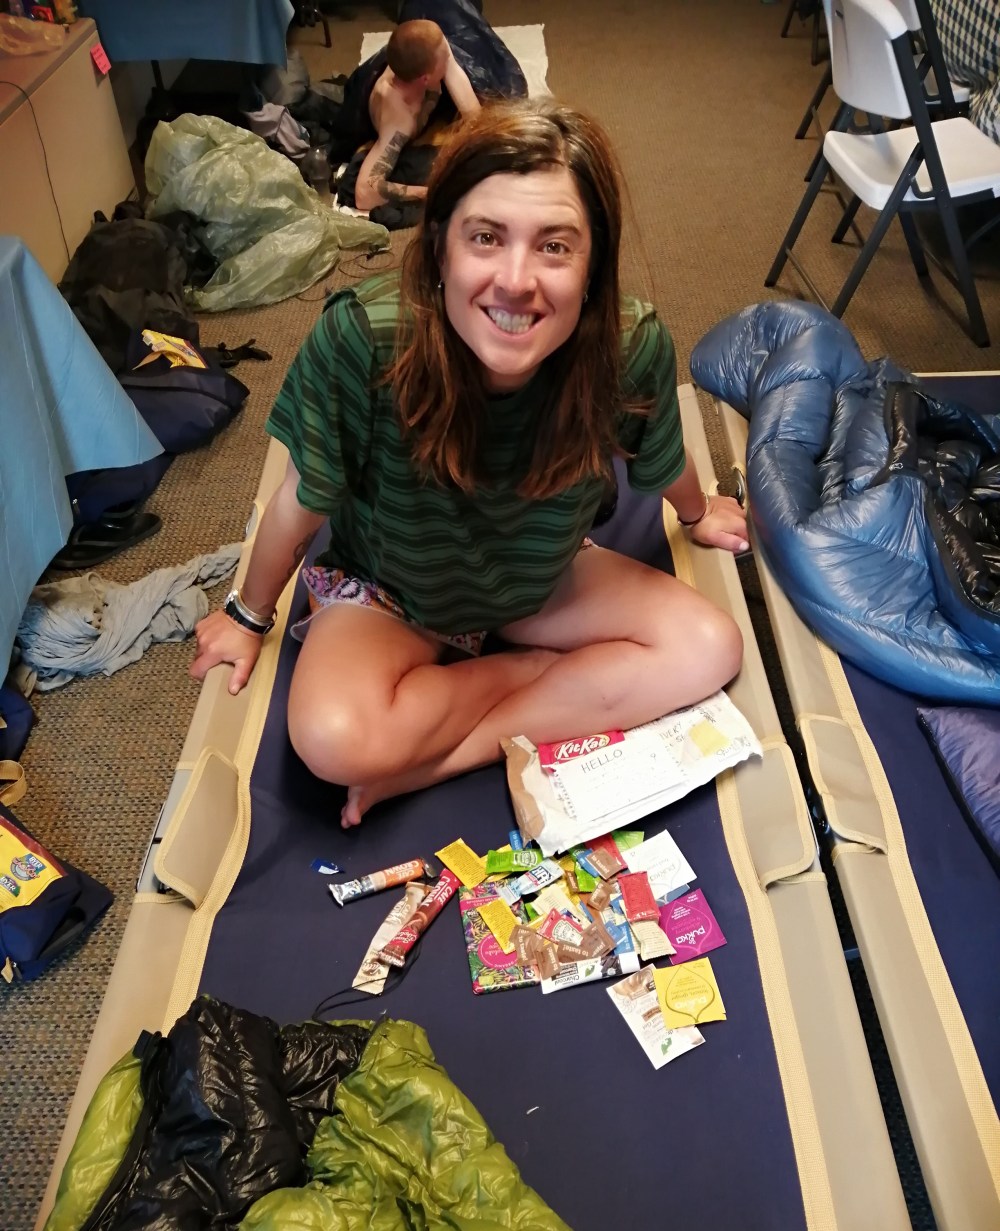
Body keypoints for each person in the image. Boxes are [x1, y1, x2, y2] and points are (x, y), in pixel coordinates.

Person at [191, 99, 749, 828]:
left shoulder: (628, 344)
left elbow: (660, 454)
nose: (515, 280)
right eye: (486, 237)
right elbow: (302, 498)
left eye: (555, 246)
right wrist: (247, 613)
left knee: (709, 647)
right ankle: (539, 676)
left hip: (538, 579)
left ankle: (450, 755)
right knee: (333, 739)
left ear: (593, 266)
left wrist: (700, 513)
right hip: (392, 589)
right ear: (441, 248)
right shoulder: (363, 338)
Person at [350, 19, 481, 212]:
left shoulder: (416, 55)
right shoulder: (399, 123)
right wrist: (428, 192)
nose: (449, 55)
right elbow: (364, 194)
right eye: (445, 59)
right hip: (376, 104)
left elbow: (476, 118)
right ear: (425, 79)